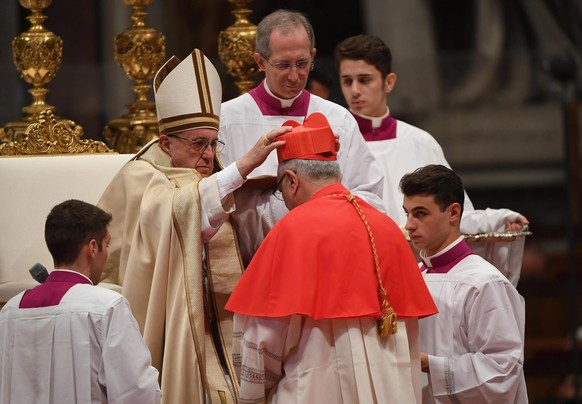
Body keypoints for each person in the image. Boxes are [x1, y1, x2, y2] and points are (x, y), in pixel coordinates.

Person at [97, 49, 289, 403]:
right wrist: (243, 165)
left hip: (217, 323)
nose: (207, 154)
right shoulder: (142, 175)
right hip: (166, 319)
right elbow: (180, 213)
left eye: (213, 143)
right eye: (198, 143)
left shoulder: (209, 176)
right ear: (166, 143)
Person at [226, 113, 438, 403]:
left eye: (280, 191)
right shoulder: (386, 226)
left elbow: (263, 340)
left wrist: (253, 395)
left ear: (291, 180)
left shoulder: (292, 229)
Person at [334, 34, 529, 285]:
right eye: (347, 81)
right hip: (358, 271)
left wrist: (499, 220)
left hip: (417, 275)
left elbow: (456, 215)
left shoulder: (419, 141)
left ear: (389, 82)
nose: (355, 90)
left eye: (364, 80)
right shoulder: (336, 144)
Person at [218, 9, 385, 265]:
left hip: (325, 259)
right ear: (260, 61)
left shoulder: (336, 118)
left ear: (313, 56)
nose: (295, 76)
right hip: (251, 264)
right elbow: (208, 200)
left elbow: (370, 196)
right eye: (283, 65)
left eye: (302, 63)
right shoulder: (226, 119)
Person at [0, 199, 161, 403]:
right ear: (93, 248)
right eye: (107, 245)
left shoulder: (9, 312)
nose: (107, 254)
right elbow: (137, 393)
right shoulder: (107, 307)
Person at [400, 164, 528, 403]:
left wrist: (431, 365)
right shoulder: (413, 276)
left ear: (453, 213)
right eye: (407, 213)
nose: (409, 225)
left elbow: (503, 370)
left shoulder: (484, 282)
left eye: (420, 213)